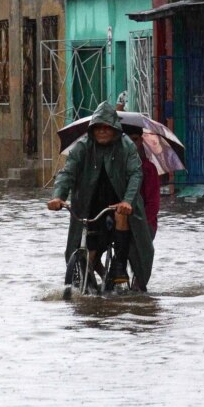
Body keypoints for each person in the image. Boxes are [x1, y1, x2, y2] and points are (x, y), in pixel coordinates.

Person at [47, 102, 154, 290]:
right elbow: (67, 173)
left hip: (119, 202)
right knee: (88, 245)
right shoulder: (82, 147)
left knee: (125, 221)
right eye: (98, 128)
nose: (103, 132)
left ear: (114, 129)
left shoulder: (126, 147)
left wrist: (128, 201)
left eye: (107, 128)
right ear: (92, 130)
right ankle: (89, 283)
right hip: (90, 204)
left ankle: (120, 264)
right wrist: (58, 196)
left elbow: (135, 175)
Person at [123, 124, 160, 238]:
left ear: (141, 141)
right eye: (126, 140)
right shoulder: (113, 166)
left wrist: (141, 222)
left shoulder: (148, 169)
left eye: (134, 139)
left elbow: (153, 204)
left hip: (144, 222)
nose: (131, 144)